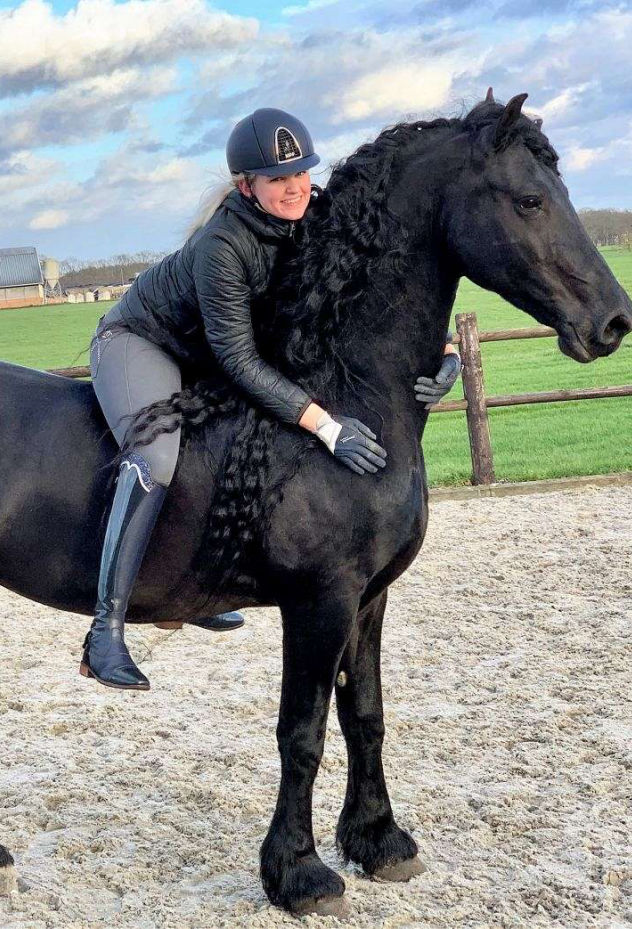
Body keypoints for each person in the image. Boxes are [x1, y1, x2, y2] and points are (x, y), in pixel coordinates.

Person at [81, 108, 461, 691]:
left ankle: (196, 589)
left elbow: (374, 289)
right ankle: (105, 629)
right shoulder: (222, 246)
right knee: (156, 458)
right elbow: (238, 361)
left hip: (212, 349)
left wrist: (445, 350)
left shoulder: (315, 214)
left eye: (301, 173)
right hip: (145, 342)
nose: (294, 188)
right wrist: (326, 426)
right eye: (277, 179)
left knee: (223, 450)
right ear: (246, 187)